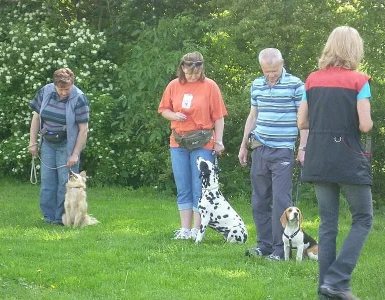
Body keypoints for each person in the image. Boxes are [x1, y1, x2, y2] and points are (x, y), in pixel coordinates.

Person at [297, 26, 373, 300]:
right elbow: (365, 126)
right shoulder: (359, 81)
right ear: (355, 49)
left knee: (328, 224)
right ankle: (338, 280)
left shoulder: (312, 80)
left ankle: (324, 289)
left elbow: (302, 122)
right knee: (363, 219)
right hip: (348, 156)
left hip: (318, 156)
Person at [238, 48, 308, 261]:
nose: (271, 75)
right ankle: (264, 245)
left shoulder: (296, 85)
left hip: (283, 150)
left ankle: (280, 249)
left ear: (282, 63)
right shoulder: (257, 85)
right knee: (259, 200)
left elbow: (304, 121)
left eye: (274, 70)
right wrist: (243, 146)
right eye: (267, 71)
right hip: (259, 147)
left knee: (280, 201)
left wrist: (302, 148)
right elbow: (252, 116)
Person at [158, 51, 227, 240]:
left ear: (202, 69)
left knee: (199, 186)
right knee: (183, 186)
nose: (193, 76)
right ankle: (185, 229)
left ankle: (197, 229)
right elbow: (163, 109)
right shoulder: (173, 85)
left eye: (196, 73)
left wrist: (219, 142)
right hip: (178, 142)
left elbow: (219, 117)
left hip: (203, 142)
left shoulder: (210, 86)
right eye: (189, 73)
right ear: (182, 68)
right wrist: (173, 116)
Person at [28, 68, 90, 225]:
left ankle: (61, 219)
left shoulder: (79, 98)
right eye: (61, 89)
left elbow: (83, 130)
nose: (63, 93)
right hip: (48, 143)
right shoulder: (45, 91)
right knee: (47, 183)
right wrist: (33, 142)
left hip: (67, 144)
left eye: (67, 89)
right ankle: (48, 217)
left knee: (66, 184)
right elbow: (36, 118)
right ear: (55, 85)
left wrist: (75, 154)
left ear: (72, 84)